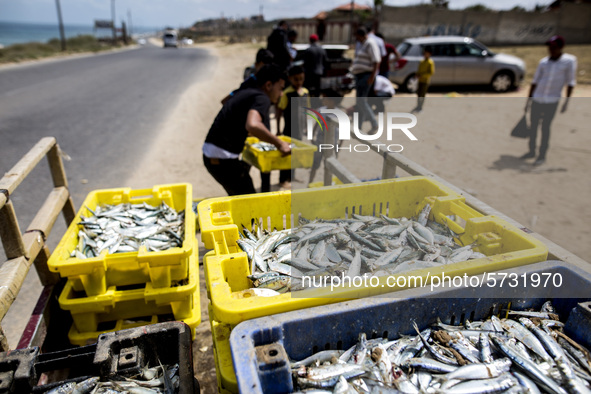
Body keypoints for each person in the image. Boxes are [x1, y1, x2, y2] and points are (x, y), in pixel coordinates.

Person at [203, 65, 291, 196]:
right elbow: (253, 125)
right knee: (249, 204)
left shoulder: (247, 91)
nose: (281, 94)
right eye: (281, 88)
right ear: (268, 85)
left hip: (211, 154)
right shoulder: (262, 98)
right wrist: (280, 144)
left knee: (238, 197)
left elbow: (229, 107)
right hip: (222, 158)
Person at [521, 35, 577, 167]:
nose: (551, 50)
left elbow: (571, 82)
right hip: (538, 98)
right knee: (533, 126)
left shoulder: (569, 62)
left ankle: (542, 155)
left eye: (554, 47)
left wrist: (566, 102)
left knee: (545, 128)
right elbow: (535, 82)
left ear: (561, 47)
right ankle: (531, 151)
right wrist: (529, 101)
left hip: (552, 101)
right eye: (549, 47)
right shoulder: (544, 62)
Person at [276, 65, 310, 189]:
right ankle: (283, 179)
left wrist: (306, 127)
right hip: (289, 129)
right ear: (290, 79)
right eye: (296, 79)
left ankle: (292, 175)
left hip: (299, 130)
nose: (299, 82)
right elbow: (279, 110)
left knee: (297, 153)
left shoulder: (305, 93)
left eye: (301, 79)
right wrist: (279, 129)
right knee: (287, 153)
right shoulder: (287, 93)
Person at [351, 27, 381, 133]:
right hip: (360, 75)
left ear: (361, 35)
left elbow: (376, 61)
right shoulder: (363, 44)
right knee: (360, 102)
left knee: (361, 101)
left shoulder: (370, 43)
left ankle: (374, 124)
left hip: (366, 75)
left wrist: (371, 77)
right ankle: (358, 126)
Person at [413, 46, 435, 113]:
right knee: (418, 94)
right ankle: (418, 105)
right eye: (425, 53)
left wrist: (422, 75)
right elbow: (419, 70)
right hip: (420, 80)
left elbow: (431, 72)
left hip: (425, 81)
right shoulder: (421, 61)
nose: (425, 54)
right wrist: (417, 74)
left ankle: (420, 107)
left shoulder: (430, 62)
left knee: (422, 94)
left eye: (427, 53)